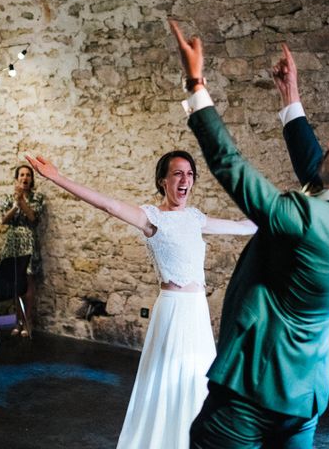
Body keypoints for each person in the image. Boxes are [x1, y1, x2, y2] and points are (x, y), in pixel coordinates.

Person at [169, 20, 329, 448]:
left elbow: (231, 166)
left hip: (251, 388)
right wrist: (290, 99)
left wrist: (195, 85)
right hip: (304, 395)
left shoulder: (304, 218)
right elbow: (315, 166)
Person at [25, 151, 256, 449]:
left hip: (196, 313)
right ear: (163, 181)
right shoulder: (152, 218)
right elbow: (107, 204)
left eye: (190, 174)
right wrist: (57, 178)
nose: (185, 180)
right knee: (168, 382)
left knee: (197, 381)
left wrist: (292, 209)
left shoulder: (196, 218)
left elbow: (243, 227)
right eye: (177, 174)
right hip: (171, 313)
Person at [0, 164, 45, 338]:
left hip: (29, 243)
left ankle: (27, 321)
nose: (25, 178)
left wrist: (23, 201)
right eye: (22, 175)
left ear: (32, 179)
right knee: (16, 284)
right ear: (17, 178)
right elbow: (4, 219)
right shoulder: (9, 197)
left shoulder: (38, 197)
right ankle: (17, 320)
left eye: (28, 175)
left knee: (28, 284)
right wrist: (16, 204)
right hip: (13, 244)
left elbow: (33, 218)